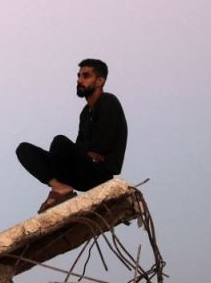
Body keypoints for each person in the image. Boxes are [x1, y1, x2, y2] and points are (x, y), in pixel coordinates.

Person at [16, 58, 128, 212]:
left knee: (59, 142)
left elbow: (103, 144)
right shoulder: (85, 113)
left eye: (85, 76)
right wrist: (87, 153)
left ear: (100, 81)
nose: (79, 80)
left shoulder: (108, 101)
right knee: (24, 150)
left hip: (98, 174)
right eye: (79, 76)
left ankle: (60, 191)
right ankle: (61, 188)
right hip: (82, 169)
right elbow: (81, 146)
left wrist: (88, 152)